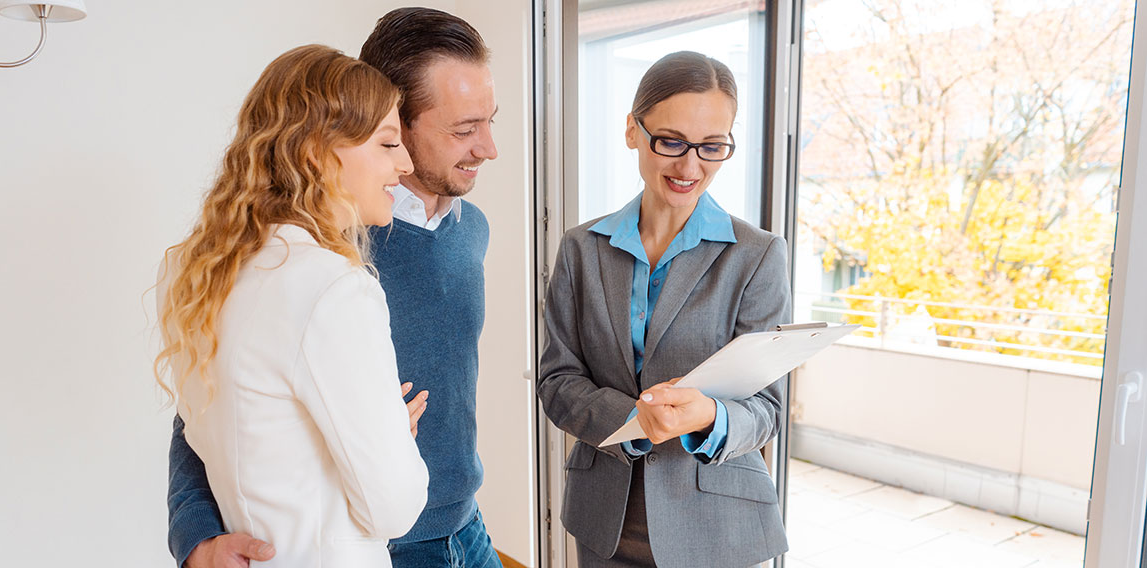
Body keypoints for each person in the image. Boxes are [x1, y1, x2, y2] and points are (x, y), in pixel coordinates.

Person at [166, 8, 504, 568]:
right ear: (391, 114)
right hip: (375, 546)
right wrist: (195, 533)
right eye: (464, 130)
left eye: (490, 120)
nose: (489, 147)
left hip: (465, 528)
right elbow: (208, 400)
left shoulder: (472, 231)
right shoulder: (318, 259)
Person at [155, 45, 427, 568]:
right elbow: (395, 509)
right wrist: (393, 428)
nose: (405, 164)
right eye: (388, 143)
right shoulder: (334, 289)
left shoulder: (197, 276)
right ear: (317, 154)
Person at [537, 51, 791, 568]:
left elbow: (767, 409)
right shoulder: (581, 248)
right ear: (632, 130)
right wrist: (633, 419)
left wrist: (710, 417)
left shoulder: (757, 255)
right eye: (671, 141)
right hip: (603, 520)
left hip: (718, 529)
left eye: (712, 147)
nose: (690, 166)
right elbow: (557, 382)